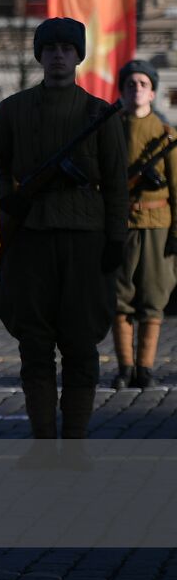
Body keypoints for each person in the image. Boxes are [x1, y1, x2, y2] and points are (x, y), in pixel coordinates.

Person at [0, 17, 126, 440]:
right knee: (34, 343)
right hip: (30, 238)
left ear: (79, 56)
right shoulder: (14, 109)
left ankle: (76, 442)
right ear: (40, 56)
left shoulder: (99, 114)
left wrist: (116, 239)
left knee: (81, 344)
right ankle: (44, 440)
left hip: (85, 241)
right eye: (50, 49)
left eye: (67, 49)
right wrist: (5, 198)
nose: (59, 56)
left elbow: (118, 182)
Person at [110, 58, 177, 388]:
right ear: (121, 91)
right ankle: (124, 367)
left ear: (152, 93)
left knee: (153, 296)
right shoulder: (110, 130)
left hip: (156, 225)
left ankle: (145, 368)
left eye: (143, 84)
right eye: (130, 84)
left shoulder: (166, 136)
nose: (136, 89)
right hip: (121, 224)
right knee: (119, 298)